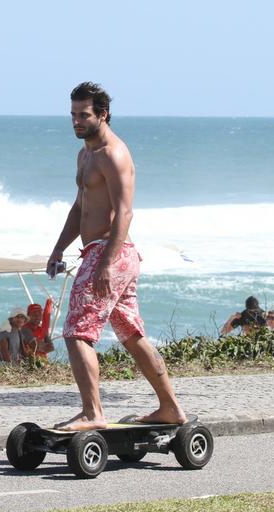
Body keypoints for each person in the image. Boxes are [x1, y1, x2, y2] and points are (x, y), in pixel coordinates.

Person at [47, 82, 186, 431]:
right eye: (73, 115)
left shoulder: (114, 154)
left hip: (111, 251)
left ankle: (93, 413)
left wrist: (105, 264)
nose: (77, 122)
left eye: (84, 115)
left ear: (103, 114)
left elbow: (124, 213)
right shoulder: (85, 155)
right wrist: (58, 248)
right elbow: (81, 208)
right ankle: (170, 409)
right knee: (131, 334)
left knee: (77, 332)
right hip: (101, 251)